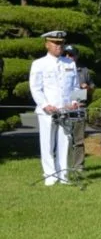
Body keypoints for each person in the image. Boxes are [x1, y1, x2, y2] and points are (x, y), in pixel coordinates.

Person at [28, 30, 79, 186]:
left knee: (65, 142)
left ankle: (63, 174)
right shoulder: (39, 64)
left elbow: (75, 86)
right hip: (48, 111)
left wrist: (75, 101)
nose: (59, 46)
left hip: (66, 110)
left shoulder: (70, 63)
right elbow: (35, 88)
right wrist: (45, 105)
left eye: (61, 43)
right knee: (47, 143)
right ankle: (50, 174)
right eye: (55, 43)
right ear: (47, 44)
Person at [63, 45, 92, 171]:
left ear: (76, 56)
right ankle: (63, 165)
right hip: (63, 107)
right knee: (63, 138)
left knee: (78, 139)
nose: (68, 57)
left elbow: (92, 87)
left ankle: (78, 166)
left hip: (80, 106)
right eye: (66, 54)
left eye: (71, 54)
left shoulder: (84, 70)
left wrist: (87, 87)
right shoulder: (60, 68)